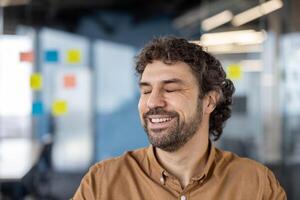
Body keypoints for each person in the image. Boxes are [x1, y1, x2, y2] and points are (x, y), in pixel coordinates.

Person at [72, 36, 286, 200]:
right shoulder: (101, 184)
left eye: (171, 89)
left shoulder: (256, 184)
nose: (153, 102)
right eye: (146, 91)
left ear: (209, 101)